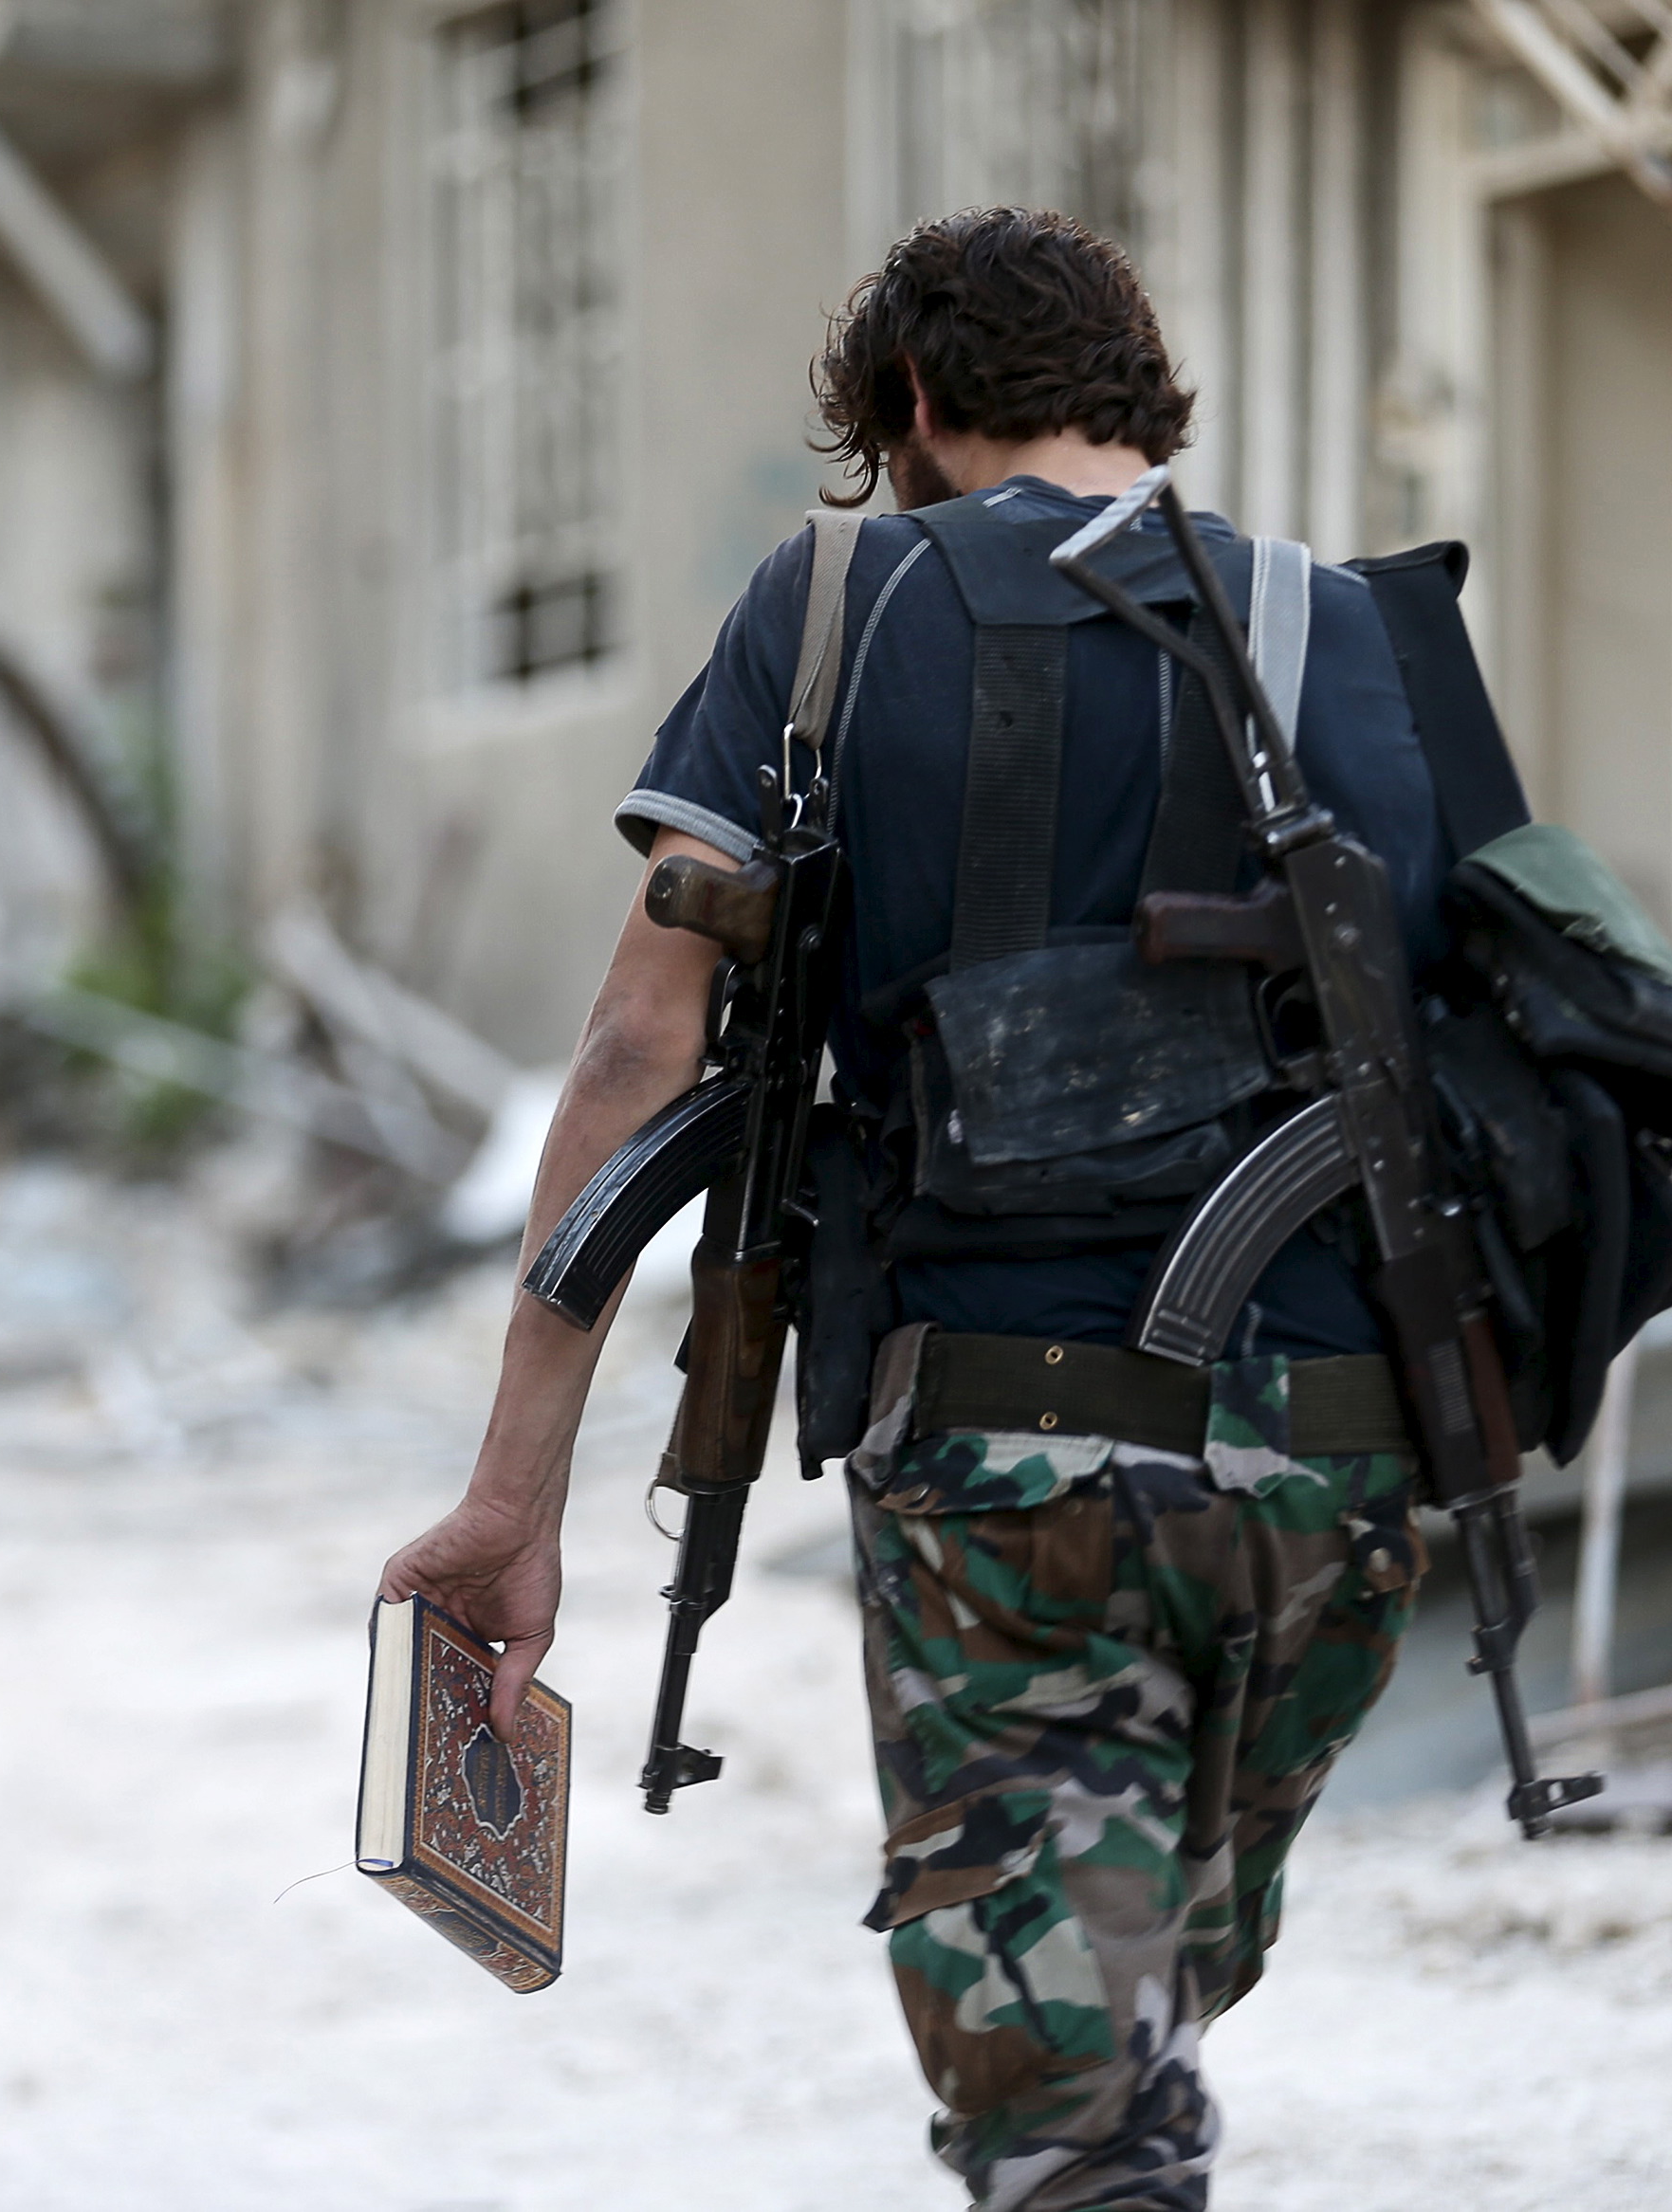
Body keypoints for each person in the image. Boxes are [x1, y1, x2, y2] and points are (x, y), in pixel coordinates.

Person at [381, 206, 1456, 2210]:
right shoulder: (1358, 628)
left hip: (1009, 1465)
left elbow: (637, 1054)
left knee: (1072, 2116)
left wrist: (515, 1498)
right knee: (1143, 2015)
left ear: (922, 406)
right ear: (1136, 398)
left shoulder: (835, 605)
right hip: (1344, 1474)